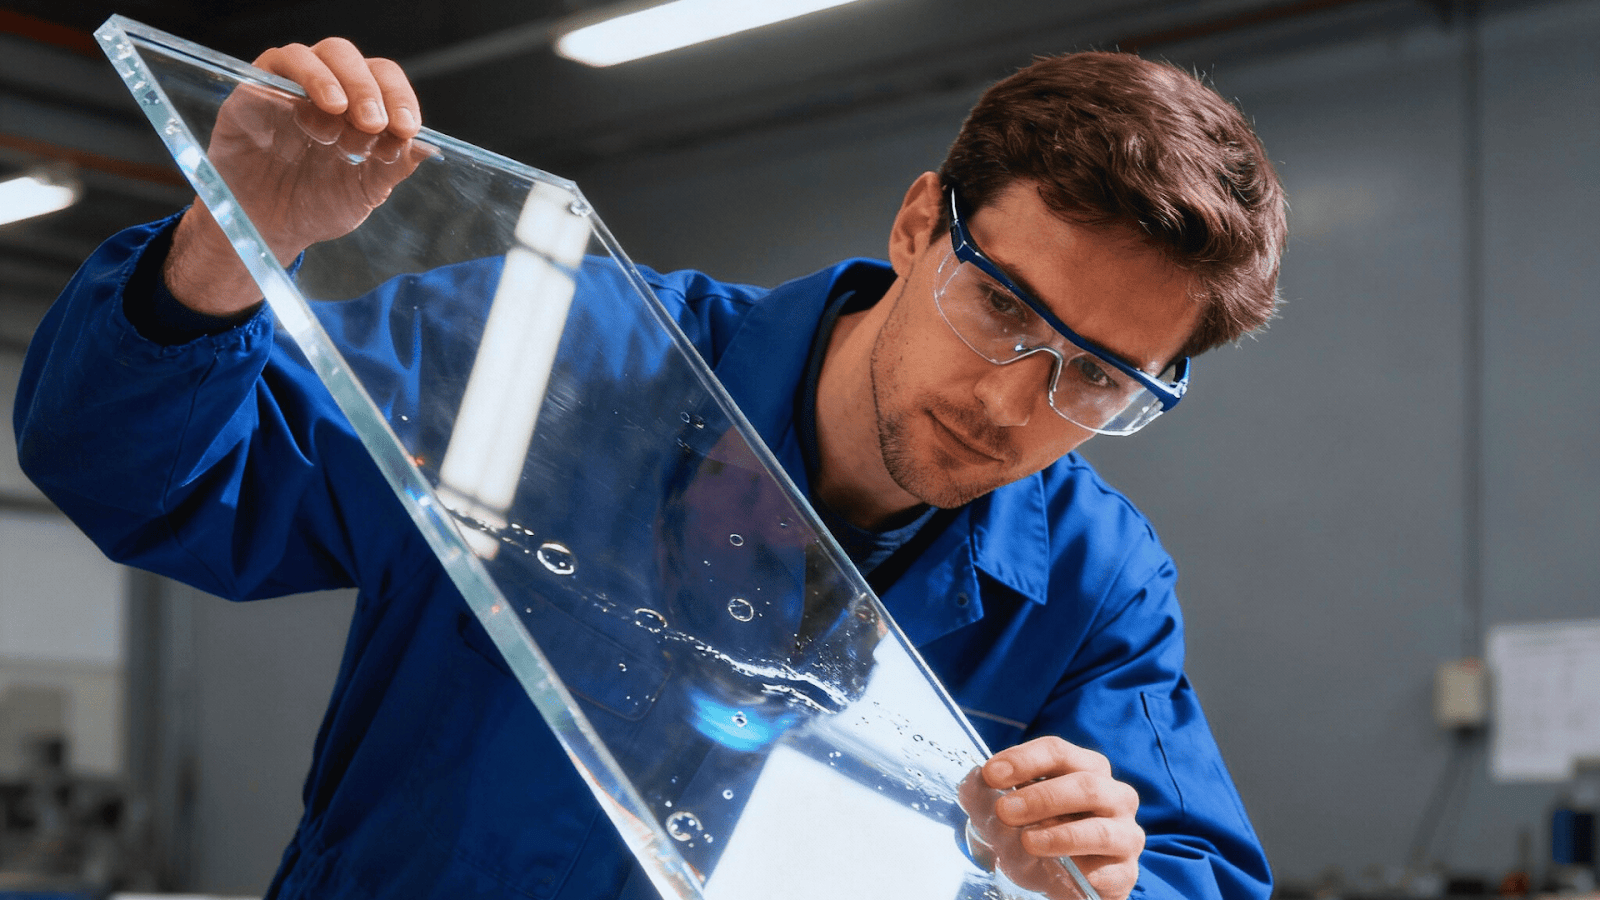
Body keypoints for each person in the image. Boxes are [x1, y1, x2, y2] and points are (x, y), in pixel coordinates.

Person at [14, 36, 1285, 900]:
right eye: (1005, 308)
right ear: (917, 224)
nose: (1018, 402)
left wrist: (1100, 873)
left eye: (1101, 378)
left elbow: (1191, 868)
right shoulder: (546, 353)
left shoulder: (1090, 581)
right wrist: (233, 244)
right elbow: (152, 477)